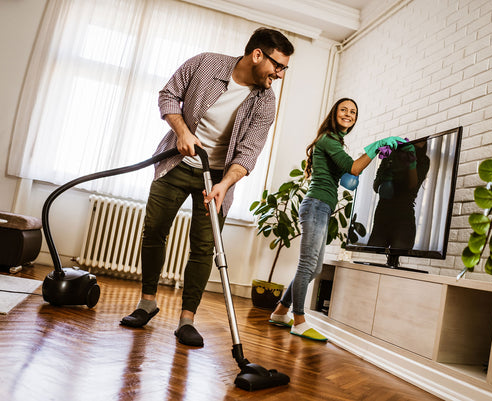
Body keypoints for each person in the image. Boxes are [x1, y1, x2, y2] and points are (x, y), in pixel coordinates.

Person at [120, 28, 294, 347]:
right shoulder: (205, 64)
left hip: (216, 178)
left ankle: (187, 320)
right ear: (258, 55)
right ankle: (147, 303)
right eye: (278, 66)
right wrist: (183, 132)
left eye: (283, 68)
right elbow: (168, 96)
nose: (280, 74)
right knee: (154, 230)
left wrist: (225, 185)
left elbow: (249, 150)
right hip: (175, 162)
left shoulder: (266, 102)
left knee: (203, 247)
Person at [269, 98, 405, 341]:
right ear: (334, 113)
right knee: (307, 266)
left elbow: (345, 172)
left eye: (353, 111)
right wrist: (376, 146)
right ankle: (298, 320)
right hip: (316, 206)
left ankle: (280, 312)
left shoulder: (334, 142)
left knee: (315, 268)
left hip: (321, 207)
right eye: (344, 109)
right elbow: (353, 168)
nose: (348, 114)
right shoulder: (328, 139)